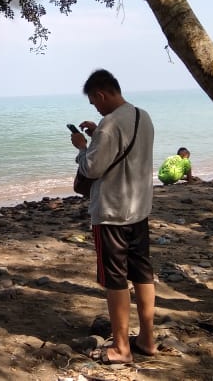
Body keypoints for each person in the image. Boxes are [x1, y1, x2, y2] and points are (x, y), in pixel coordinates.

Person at [69, 69, 157, 364]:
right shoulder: (142, 117)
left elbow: (91, 169)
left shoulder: (109, 124)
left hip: (111, 213)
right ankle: (147, 338)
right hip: (139, 209)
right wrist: (97, 137)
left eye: (94, 102)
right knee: (142, 273)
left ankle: (121, 348)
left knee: (115, 280)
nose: (95, 107)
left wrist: (83, 148)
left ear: (100, 95)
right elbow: (125, 153)